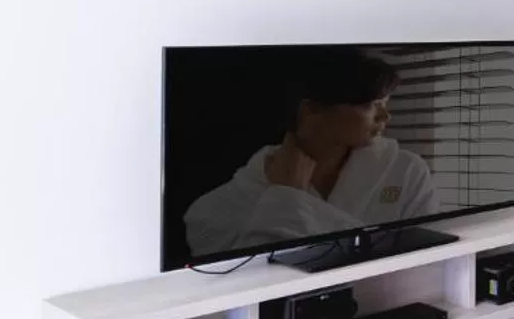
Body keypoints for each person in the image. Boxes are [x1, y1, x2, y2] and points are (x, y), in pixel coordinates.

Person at [184, 48, 439, 258]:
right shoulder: (213, 211)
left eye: (385, 104)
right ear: (311, 111)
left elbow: (427, 258)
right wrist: (285, 196)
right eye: (369, 105)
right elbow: (245, 285)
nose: (385, 116)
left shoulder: (406, 171)